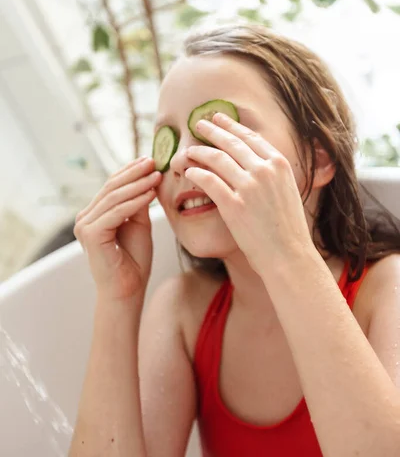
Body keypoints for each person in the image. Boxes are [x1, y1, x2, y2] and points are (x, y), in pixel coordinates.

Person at [69, 24, 400, 457]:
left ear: (318, 158)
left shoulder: (386, 287)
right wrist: (117, 299)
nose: (184, 160)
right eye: (168, 137)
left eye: (218, 129)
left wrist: (286, 255)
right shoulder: (183, 311)